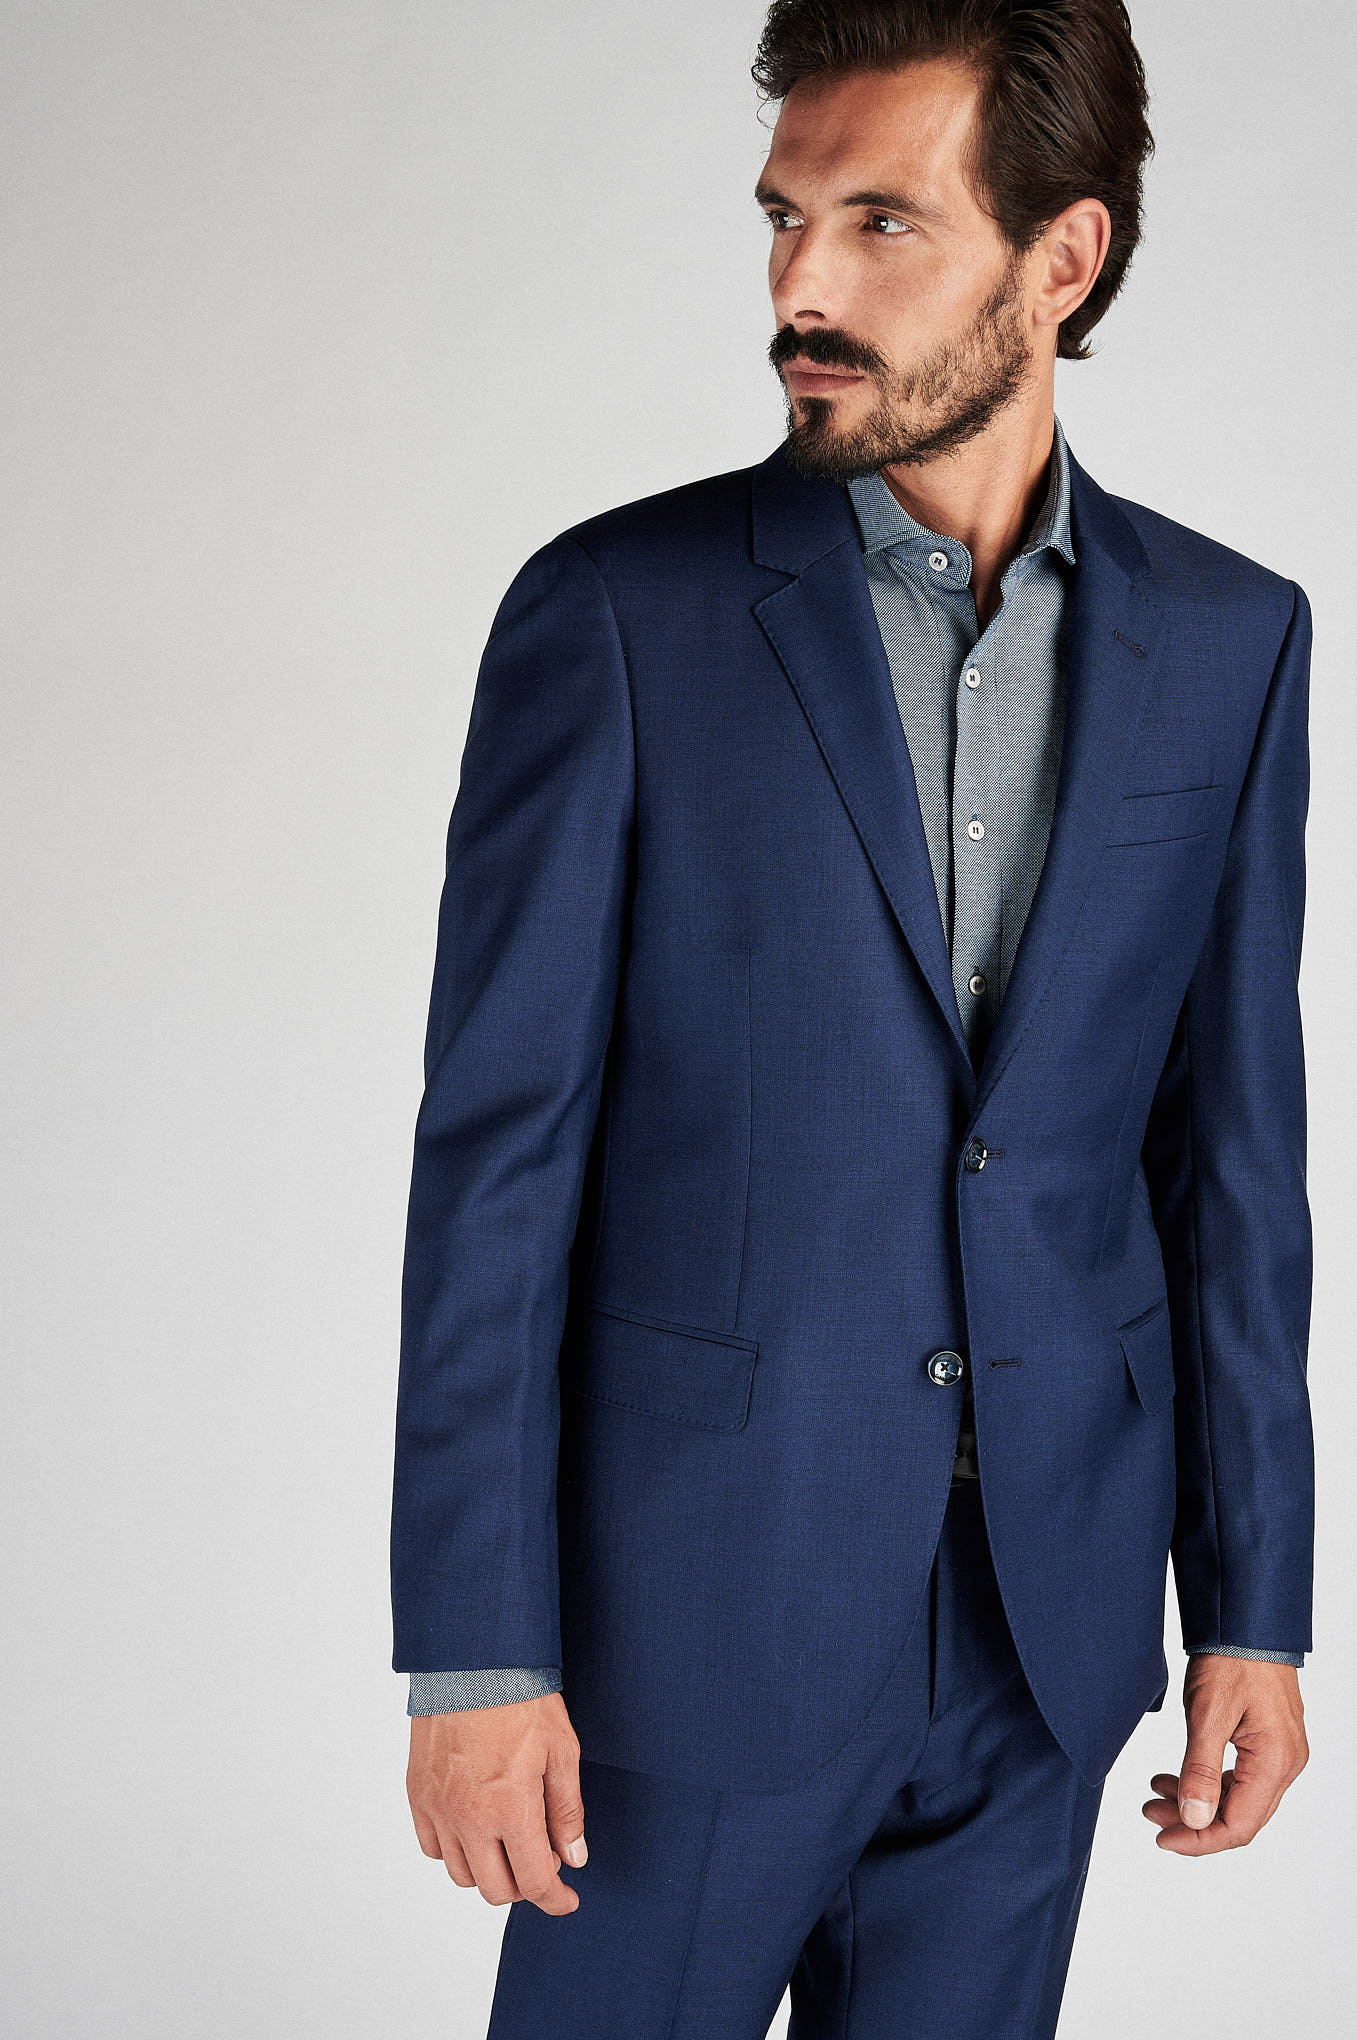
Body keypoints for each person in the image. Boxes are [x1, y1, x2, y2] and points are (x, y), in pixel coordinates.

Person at [390, 3, 1313, 2033]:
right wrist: (476, 1650)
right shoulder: (618, 616)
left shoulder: (1232, 640)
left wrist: (1254, 1607)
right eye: (783, 218)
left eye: (880, 221)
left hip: (1044, 1634)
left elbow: (1230, 1164)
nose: (798, 285)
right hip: (685, 1629)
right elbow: (497, 1165)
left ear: (1059, 258)